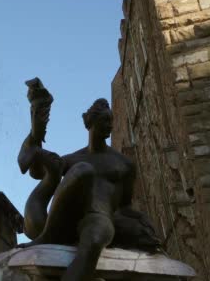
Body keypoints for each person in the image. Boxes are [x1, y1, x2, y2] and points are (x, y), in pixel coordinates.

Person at [18, 93, 139, 281]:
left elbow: (125, 206)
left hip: (100, 218)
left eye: (111, 120)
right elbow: (36, 172)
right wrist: (36, 132)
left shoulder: (124, 164)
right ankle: (47, 236)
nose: (110, 125)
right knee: (82, 169)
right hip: (70, 220)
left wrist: (138, 226)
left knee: (93, 241)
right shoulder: (75, 159)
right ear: (91, 122)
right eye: (105, 120)